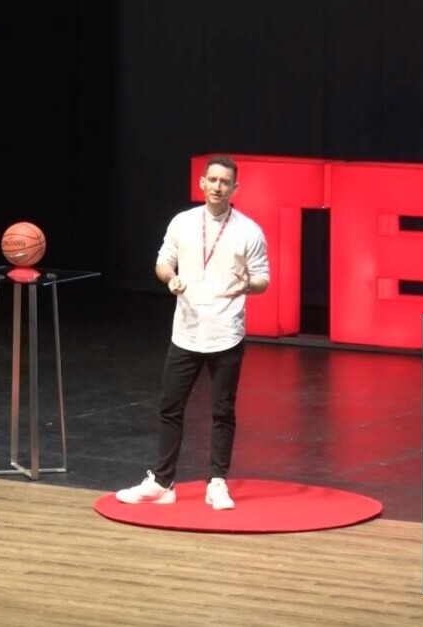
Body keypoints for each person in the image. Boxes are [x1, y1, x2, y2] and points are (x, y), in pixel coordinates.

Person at [116, 155, 269, 510]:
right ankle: (162, 483)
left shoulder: (248, 230)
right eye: (212, 180)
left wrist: (247, 285)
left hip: (226, 332)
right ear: (201, 183)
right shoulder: (182, 223)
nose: (217, 187)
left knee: (222, 410)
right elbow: (163, 263)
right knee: (170, 406)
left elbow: (263, 278)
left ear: (235, 188)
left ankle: (217, 483)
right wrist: (171, 279)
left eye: (225, 182)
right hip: (185, 331)